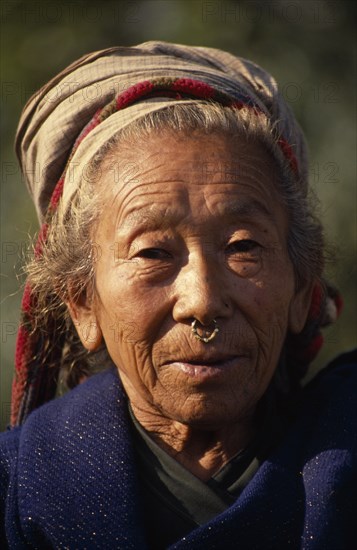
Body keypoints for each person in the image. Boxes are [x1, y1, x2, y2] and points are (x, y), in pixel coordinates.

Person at [0, 41, 355, 549]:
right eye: (152, 254)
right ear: (81, 302)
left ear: (303, 287)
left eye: (243, 246)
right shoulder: (18, 497)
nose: (202, 301)